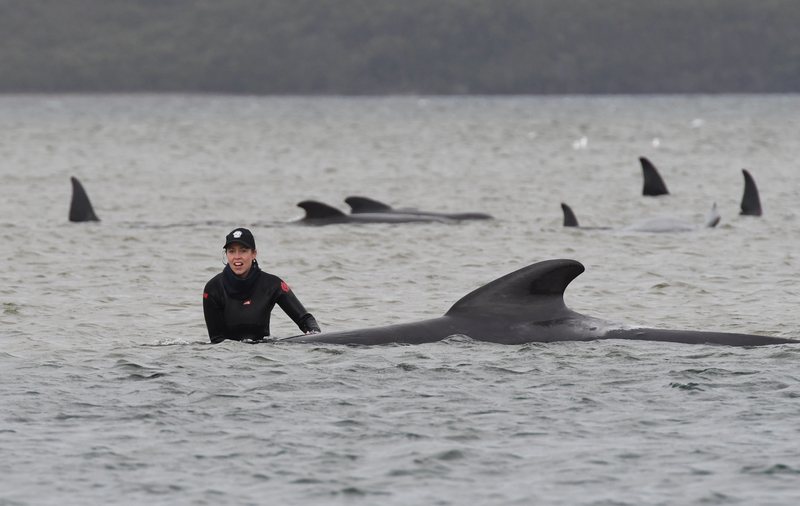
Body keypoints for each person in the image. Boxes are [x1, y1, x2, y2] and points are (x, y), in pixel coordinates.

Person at [203, 227, 320, 343]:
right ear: (226, 254)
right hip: (228, 358)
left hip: (263, 355)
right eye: (231, 251)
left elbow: (305, 319)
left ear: (254, 253)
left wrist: (317, 339)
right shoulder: (213, 288)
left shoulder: (272, 284)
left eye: (243, 250)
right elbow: (216, 340)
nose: (237, 256)